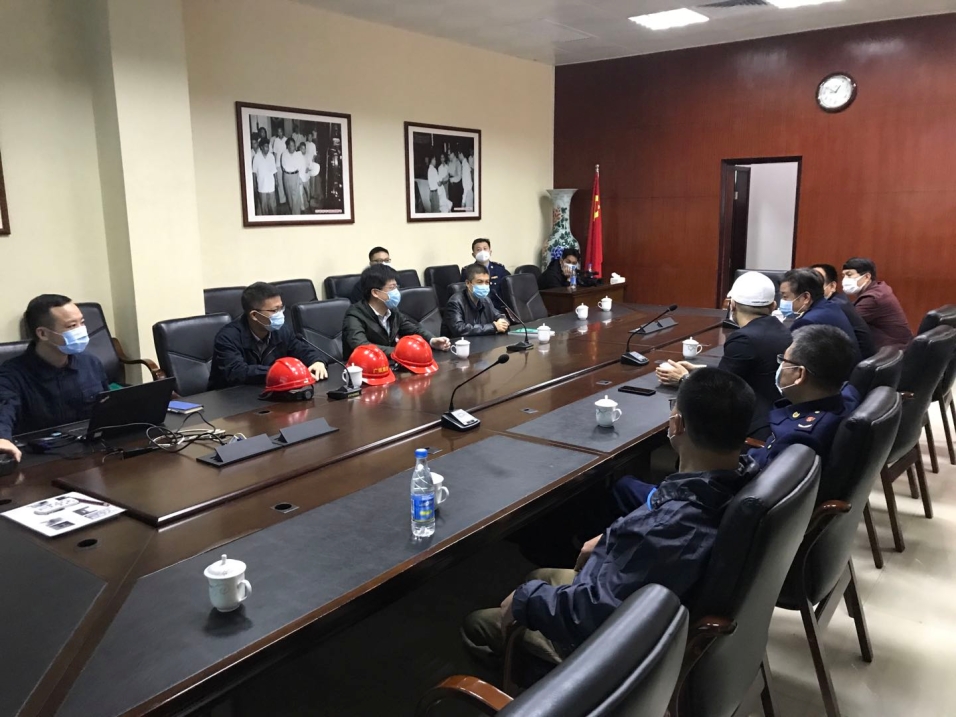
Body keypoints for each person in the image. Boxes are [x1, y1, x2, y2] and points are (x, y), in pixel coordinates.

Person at [461, 368, 759, 664]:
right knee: (539, 576)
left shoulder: (672, 525)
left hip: (608, 646)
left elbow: (594, 613)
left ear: (677, 423)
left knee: (477, 624)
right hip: (631, 590)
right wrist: (609, 537)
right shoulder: (739, 479)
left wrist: (527, 599)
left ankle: (529, 681)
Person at [657, 271, 791, 439]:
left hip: (749, 427)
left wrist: (683, 378)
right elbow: (745, 370)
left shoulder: (744, 338)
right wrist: (700, 370)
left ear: (732, 305)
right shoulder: (781, 329)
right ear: (773, 306)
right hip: (776, 417)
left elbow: (719, 396)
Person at [0, 295, 110, 461]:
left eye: (82, 323)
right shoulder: (12, 375)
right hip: (42, 458)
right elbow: (4, 409)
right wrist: (2, 439)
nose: (81, 330)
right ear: (43, 333)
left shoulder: (90, 362)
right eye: (72, 326)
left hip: (91, 452)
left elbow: (106, 406)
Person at [748, 325, 861, 480]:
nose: (780, 366)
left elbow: (762, 483)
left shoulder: (796, 438)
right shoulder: (850, 396)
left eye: (783, 360)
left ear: (800, 374)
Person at [207, 282, 328, 390]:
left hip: (268, 392)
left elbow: (302, 349)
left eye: (281, 308)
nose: (280, 314)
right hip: (233, 399)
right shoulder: (227, 337)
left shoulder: (282, 330)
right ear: (254, 315)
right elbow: (237, 372)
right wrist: (281, 372)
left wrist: (316, 361)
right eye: (274, 310)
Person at [342, 264, 451, 357]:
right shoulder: (355, 315)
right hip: (362, 368)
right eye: (391, 288)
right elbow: (361, 346)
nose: (396, 292)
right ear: (375, 293)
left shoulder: (392, 311)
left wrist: (432, 340)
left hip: (390, 364)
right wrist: (400, 351)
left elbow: (414, 329)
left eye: (396, 287)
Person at [779, 268, 860, 361]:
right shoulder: (831, 306)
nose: (782, 301)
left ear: (806, 297)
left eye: (785, 296)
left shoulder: (807, 322)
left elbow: (793, 358)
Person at [842, 257, 913, 351]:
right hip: (896, 347)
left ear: (867, 277)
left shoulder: (873, 298)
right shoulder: (879, 289)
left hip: (891, 351)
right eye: (844, 276)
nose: (845, 279)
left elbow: (846, 323)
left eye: (849, 275)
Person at [811, 263, 876, 359]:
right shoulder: (839, 299)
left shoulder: (833, 307)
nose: (812, 288)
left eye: (818, 283)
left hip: (854, 362)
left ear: (832, 286)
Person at [443, 263, 509, 337]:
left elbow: (498, 315)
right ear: (468, 283)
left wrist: (502, 321)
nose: (484, 285)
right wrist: (493, 327)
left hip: (481, 341)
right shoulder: (455, 302)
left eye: (487, 282)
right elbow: (459, 329)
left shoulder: (486, 300)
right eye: (480, 282)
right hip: (458, 343)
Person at [461, 238, 511, 309]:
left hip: (497, 308)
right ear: (473, 254)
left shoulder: (499, 269)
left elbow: (508, 292)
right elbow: (464, 294)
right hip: (475, 308)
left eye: (485, 249)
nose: (482, 252)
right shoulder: (467, 271)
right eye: (478, 250)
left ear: (490, 252)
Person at [280, 139, 307, 215]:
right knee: (289, 196)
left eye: (294, 145)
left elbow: (301, 167)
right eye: (291, 145)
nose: (293, 147)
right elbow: (284, 166)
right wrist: (293, 166)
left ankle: (296, 214)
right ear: (288, 146)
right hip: (286, 176)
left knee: (296, 197)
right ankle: (293, 212)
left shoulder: (298, 155)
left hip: (295, 176)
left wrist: (300, 178)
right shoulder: (284, 154)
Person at [251, 139, 277, 216]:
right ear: (261, 147)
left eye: (268, 146)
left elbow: (274, 170)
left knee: (273, 205)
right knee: (264, 206)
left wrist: (276, 181)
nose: (267, 148)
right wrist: (254, 184)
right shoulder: (256, 157)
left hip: (271, 185)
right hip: (261, 185)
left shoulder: (271, 156)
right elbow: (254, 172)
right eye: (265, 147)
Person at [270, 126, 288, 205]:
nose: (279, 133)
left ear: (283, 132)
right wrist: (274, 164)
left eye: (280, 131)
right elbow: (275, 153)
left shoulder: (286, 139)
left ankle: (287, 197)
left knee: (285, 181)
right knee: (280, 182)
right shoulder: (276, 140)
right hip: (278, 164)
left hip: (285, 164)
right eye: (278, 132)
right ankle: (282, 200)